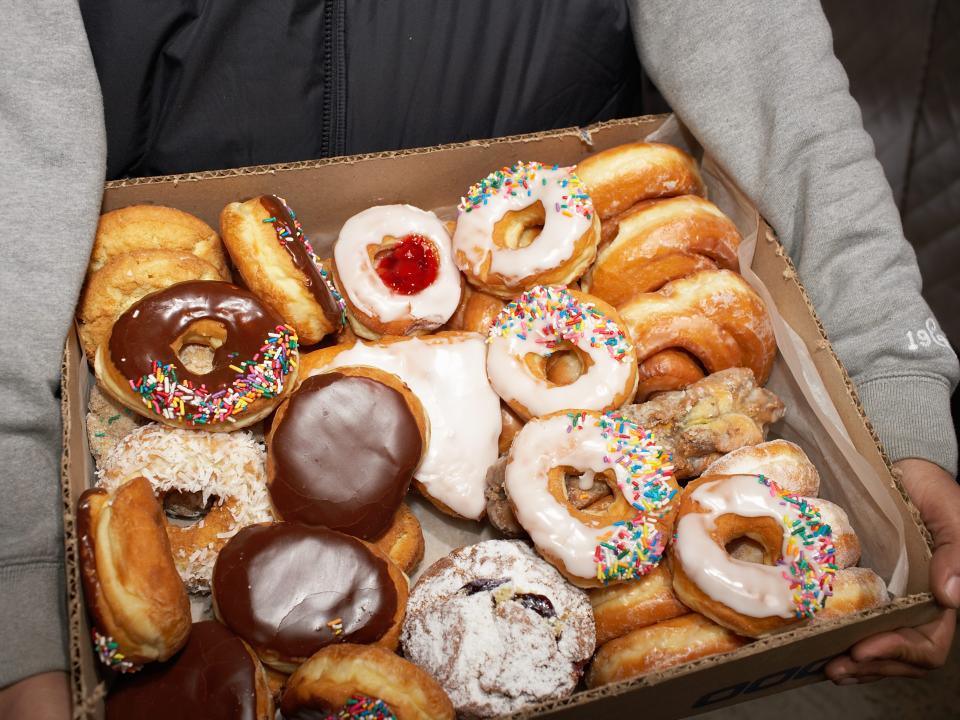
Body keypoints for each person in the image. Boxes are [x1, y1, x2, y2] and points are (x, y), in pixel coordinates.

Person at [1, 0, 957, 716]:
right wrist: (18, 589)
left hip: (521, 258)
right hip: (210, 266)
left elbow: (770, 76)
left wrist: (892, 376)